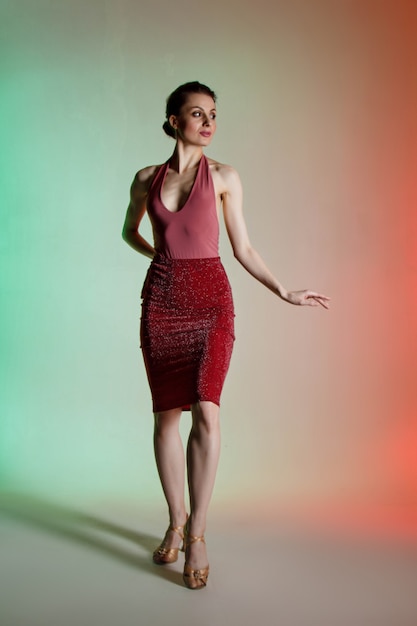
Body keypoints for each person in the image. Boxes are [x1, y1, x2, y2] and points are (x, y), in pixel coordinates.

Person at [122, 81, 330, 590]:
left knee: (207, 412)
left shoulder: (225, 177)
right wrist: (161, 262)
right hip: (163, 303)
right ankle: (174, 518)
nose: (209, 122)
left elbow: (244, 247)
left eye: (214, 113)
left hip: (213, 302)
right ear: (173, 120)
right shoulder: (146, 178)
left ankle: (197, 531)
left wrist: (284, 290)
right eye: (197, 114)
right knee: (166, 415)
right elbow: (129, 231)